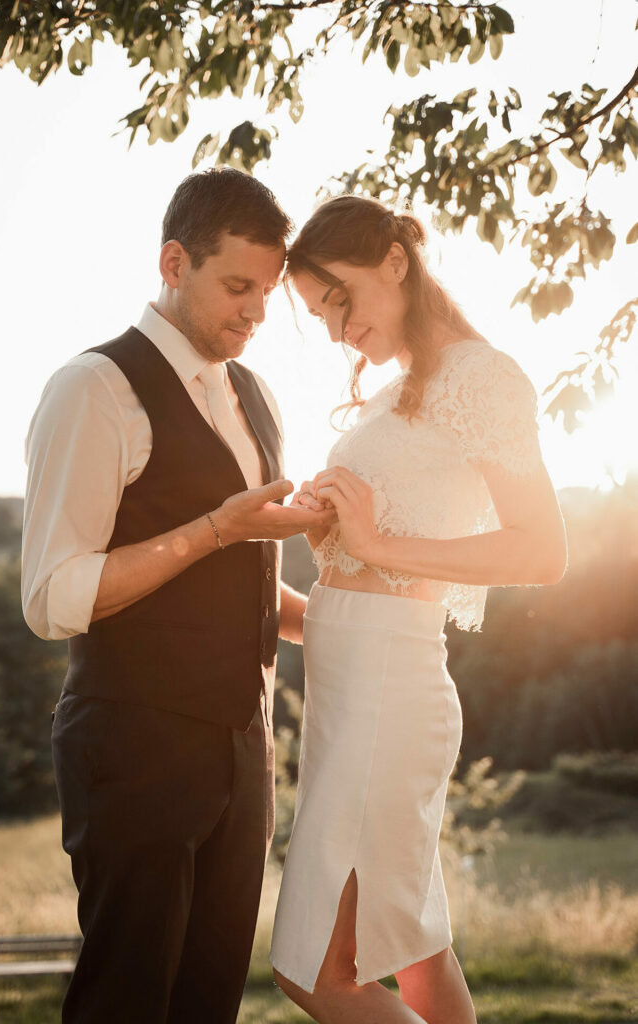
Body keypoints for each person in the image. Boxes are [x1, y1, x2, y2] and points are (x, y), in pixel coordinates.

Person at [21, 167, 332, 1024]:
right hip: (133, 746)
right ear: (172, 262)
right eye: (237, 286)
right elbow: (54, 598)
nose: (255, 313)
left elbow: (248, 585)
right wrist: (214, 529)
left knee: (208, 1003)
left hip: (244, 751)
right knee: (127, 1000)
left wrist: (353, 624)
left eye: (267, 295)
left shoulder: (256, 398)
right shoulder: (94, 389)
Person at [269, 195, 568, 1023]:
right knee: (414, 955)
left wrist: (371, 538)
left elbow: (541, 551)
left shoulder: (480, 376)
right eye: (319, 315)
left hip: (388, 701)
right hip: (351, 697)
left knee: (315, 971)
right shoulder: (394, 395)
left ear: (394, 262)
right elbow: (354, 597)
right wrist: (270, 582)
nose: (335, 330)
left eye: (339, 300)